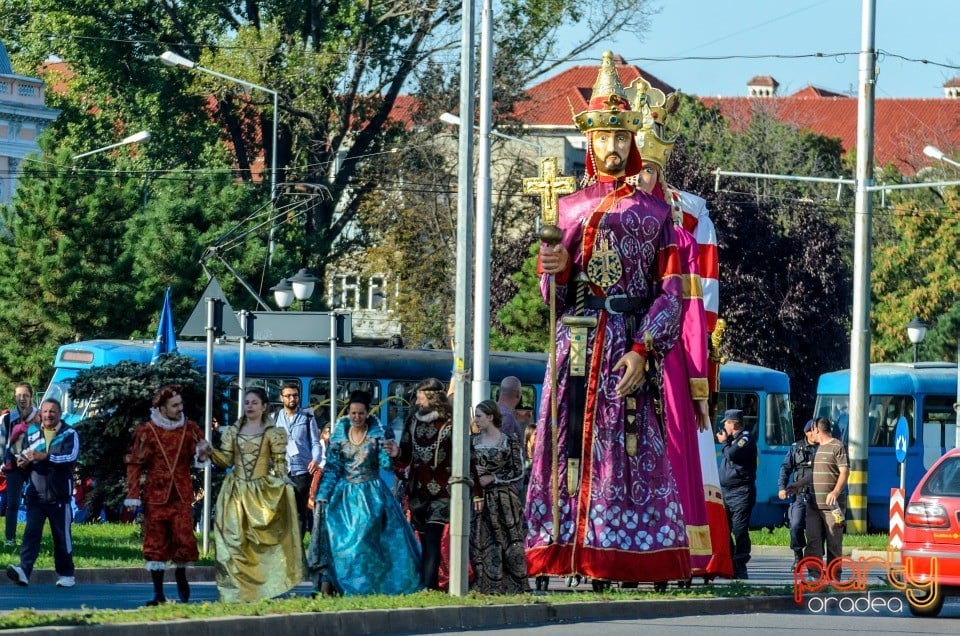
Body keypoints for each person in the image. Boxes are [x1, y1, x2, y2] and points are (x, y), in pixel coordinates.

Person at [526, 50, 688, 587]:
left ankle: (632, 553)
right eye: (602, 138)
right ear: (589, 143)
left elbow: (672, 294)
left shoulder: (659, 215)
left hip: (627, 342)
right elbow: (553, 292)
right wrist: (556, 268)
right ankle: (566, 549)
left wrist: (645, 350)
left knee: (629, 446)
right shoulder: (569, 208)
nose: (612, 147)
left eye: (621, 137)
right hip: (577, 342)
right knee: (567, 441)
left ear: (631, 141)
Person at [309, 391, 420, 596]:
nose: (357, 417)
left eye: (361, 413)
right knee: (341, 541)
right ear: (348, 412)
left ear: (367, 413)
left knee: (365, 539)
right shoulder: (340, 434)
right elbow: (333, 468)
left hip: (372, 494)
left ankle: (367, 586)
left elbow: (385, 466)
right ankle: (338, 585)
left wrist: (390, 453)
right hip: (344, 495)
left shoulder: (377, 433)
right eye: (353, 413)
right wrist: (323, 493)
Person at [210, 387, 303, 602]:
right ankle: (235, 591)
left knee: (258, 543)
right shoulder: (232, 432)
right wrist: (210, 452)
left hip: (260, 492)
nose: (249, 406)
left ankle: (260, 590)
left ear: (264, 407)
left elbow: (280, 465)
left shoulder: (273, 433)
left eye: (254, 402)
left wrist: (283, 484)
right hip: (235, 492)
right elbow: (225, 460)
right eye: (246, 402)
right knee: (234, 541)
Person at [124, 384, 211, 605]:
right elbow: (134, 464)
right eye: (175, 405)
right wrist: (133, 494)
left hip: (181, 494)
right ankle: (158, 592)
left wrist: (202, 453)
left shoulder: (189, 428)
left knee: (183, 539)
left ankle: (181, 576)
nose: (180, 408)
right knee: (156, 541)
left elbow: (201, 454)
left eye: (181, 404)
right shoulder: (148, 431)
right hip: (156, 495)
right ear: (162, 408)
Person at [386, 377, 475, 590]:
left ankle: (430, 585)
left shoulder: (452, 423)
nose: (417, 402)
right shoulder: (412, 422)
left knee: (434, 537)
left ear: (433, 398)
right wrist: (397, 453)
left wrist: (473, 489)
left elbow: (465, 456)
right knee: (424, 540)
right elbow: (405, 454)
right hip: (418, 491)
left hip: (442, 491)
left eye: (420, 397)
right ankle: (428, 584)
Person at [6, 399, 79, 588]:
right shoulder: (32, 432)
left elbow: (71, 457)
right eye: (45, 411)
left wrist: (47, 457)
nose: (48, 415)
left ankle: (66, 574)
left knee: (61, 536)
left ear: (60, 413)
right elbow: (23, 453)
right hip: (35, 495)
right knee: (31, 533)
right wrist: (22, 462)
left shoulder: (69, 433)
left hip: (59, 496)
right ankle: (24, 570)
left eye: (52, 412)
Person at [470, 400, 528, 595]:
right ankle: (482, 585)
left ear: (490, 417)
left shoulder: (508, 441)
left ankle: (511, 587)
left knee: (506, 542)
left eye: (479, 416)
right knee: (479, 541)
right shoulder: (472, 441)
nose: (475, 420)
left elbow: (518, 471)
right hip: (478, 499)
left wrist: (493, 477)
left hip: (503, 501)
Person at [274, 381, 322, 538]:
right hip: (281, 471)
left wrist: (315, 459)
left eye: (294, 395)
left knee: (299, 512)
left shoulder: (307, 417)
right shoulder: (275, 418)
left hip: (302, 470)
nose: (292, 399)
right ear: (282, 398)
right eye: (288, 396)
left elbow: (315, 442)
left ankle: (298, 549)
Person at [804, 417, 848, 575]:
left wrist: (835, 492)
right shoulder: (817, 449)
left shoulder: (838, 446)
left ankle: (834, 577)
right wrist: (797, 484)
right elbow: (814, 475)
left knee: (834, 543)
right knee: (813, 541)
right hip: (813, 505)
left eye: (812, 430)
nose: (810, 433)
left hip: (832, 508)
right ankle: (814, 576)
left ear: (816, 429)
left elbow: (844, 472)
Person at [716, 408, 757, 580]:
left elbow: (732, 455)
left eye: (726, 422)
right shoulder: (733, 440)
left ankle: (740, 564)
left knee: (739, 529)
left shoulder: (745, 439)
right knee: (724, 529)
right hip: (726, 492)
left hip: (741, 492)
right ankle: (731, 562)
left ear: (734, 424)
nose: (724, 425)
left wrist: (724, 443)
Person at [1, 382, 40, 547]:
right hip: (14, 464)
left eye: (25, 395)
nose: (22, 399)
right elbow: (2, 443)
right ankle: (10, 539)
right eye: (19, 395)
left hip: (36, 463)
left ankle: (33, 538)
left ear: (31, 396)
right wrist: (3, 462)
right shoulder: (8, 418)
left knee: (39, 501)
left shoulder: (40, 416)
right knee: (13, 502)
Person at [778, 418, 819, 567]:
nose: (817, 433)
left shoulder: (825, 448)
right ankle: (798, 556)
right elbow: (785, 468)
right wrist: (782, 487)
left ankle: (814, 560)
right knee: (795, 525)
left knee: (818, 530)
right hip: (800, 494)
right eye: (814, 431)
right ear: (807, 433)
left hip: (819, 495)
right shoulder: (797, 448)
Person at [495, 377, 524, 442]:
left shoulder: (491, 409)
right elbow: (505, 448)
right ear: (518, 394)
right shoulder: (507, 416)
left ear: (499, 391)